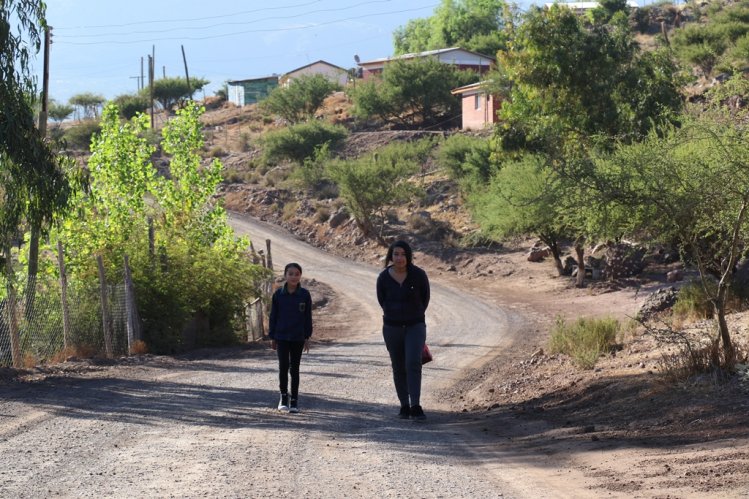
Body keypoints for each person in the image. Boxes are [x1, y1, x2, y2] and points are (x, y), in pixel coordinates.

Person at [376, 240, 430, 420]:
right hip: (392, 328)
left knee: (413, 363)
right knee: (398, 366)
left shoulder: (419, 275)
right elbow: (382, 300)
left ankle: (416, 405)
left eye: (403, 254)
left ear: (409, 256)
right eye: (396, 254)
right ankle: (404, 406)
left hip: (415, 325)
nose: (399, 258)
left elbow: (425, 299)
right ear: (390, 256)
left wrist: (414, 315)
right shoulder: (383, 278)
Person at [269, 262, 312, 413]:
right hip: (281, 336)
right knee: (283, 367)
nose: (294, 277)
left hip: (298, 337)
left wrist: (307, 336)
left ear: (300, 276)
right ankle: (283, 397)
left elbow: (307, 317)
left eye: (297, 274)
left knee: (295, 368)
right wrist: (272, 336)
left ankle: (294, 400)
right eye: (291, 274)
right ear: (285, 275)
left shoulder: (304, 295)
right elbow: (273, 316)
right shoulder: (278, 295)